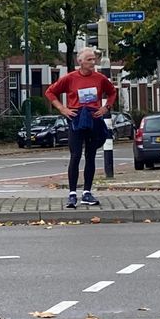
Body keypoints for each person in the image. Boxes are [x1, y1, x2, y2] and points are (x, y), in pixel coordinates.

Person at [45, 47, 117, 208]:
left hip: (93, 118)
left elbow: (112, 92)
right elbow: (50, 92)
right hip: (76, 118)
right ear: (80, 62)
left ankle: (87, 192)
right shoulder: (70, 78)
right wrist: (62, 109)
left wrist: (106, 108)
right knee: (75, 155)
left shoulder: (100, 78)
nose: (93, 62)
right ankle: (72, 194)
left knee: (90, 155)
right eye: (90, 59)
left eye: (94, 59)